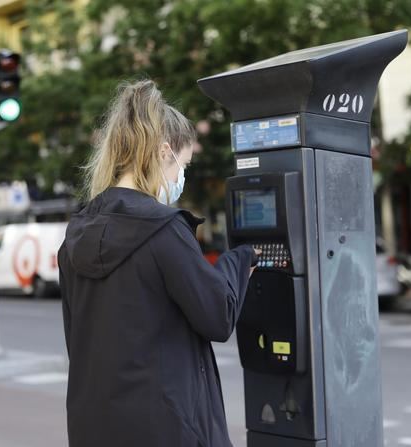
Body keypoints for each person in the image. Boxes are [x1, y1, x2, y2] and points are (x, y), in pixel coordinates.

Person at [57, 79, 259, 447]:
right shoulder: (163, 230)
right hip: (167, 430)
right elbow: (218, 314)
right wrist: (239, 258)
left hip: (94, 428)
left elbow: (78, 341)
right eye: (184, 164)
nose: (183, 176)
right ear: (165, 152)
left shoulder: (75, 235)